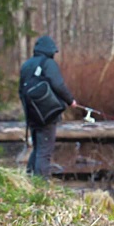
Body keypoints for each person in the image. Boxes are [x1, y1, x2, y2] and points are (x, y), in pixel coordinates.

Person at [19, 35, 77, 180]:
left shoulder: (26, 65)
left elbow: (21, 91)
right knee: (45, 151)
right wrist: (71, 101)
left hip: (31, 113)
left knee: (38, 148)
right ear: (49, 51)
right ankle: (41, 187)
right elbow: (58, 85)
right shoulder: (48, 64)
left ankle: (29, 180)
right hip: (48, 114)